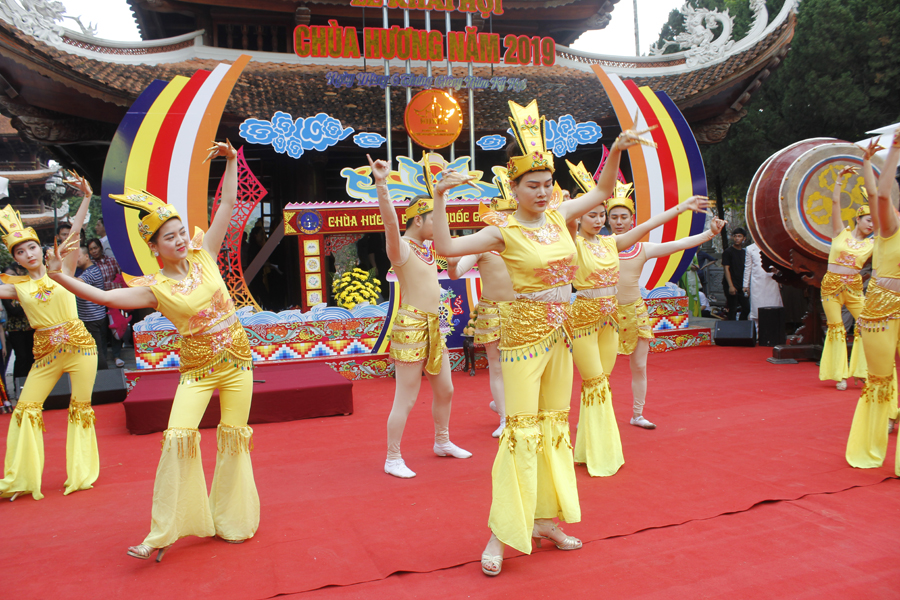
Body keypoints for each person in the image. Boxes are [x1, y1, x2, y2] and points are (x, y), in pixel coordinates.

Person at [430, 99, 653, 576]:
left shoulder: (557, 217)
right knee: (520, 432)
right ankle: (501, 533)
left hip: (561, 334)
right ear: (514, 188)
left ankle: (545, 520)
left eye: (548, 184)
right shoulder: (500, 229)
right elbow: (447, 249)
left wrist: (615, 149)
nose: (543, 191)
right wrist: (441, 197)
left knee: (554, 427)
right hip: (520, 337)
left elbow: (605, 191)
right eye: (533, 185)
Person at [48, 140, 259, 560]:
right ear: (155, 246)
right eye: (170, 236)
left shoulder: (206, 256)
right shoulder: (154, 289)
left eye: (181, 232)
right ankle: (162, 533)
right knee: (178, 438)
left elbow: (227, 207)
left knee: (233, 440)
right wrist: (60, 278)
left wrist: (233, 162)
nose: (180, 239)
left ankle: (233, 520)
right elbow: (105, 298)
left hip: (238, 362)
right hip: (197, 372)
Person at [565, 159, 723, 475]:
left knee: (605, 382)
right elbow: (568, 217)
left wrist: (685, 209)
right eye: (595, 214)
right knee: (595, 382)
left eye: (602, 214)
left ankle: (596, 441)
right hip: (584, 320)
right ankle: (598, 448)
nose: (601, 220)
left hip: (616, 318)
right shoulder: (573, 243)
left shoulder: (614, 244)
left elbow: (652, 230)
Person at [369, 154, 470, 479]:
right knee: (407, 397)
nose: (438, 227)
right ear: (417, 220)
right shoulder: (402, 249)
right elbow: (388, 224)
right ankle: (392, 457)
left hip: (434, 327)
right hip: (411, 327)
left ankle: (442, 441)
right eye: (432, 220)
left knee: (446, 390)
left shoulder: (432, 251)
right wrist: (382, 185)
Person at [0, 174, 97, 501]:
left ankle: (81, 474)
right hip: (47, 356)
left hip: (81, 349)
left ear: (40, 250)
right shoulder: (17, 288)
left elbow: (76, 232)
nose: (27, 254)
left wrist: (86, 198)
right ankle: (20, 478)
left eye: (30, 247)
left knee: (80, 408)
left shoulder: (63, 271)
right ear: (15, 260)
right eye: (20, 253)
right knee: (26, 408)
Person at [608, 192, 725, 430]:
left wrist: (710, 233)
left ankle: (637, 414)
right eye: (614, 217)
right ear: (607, 220)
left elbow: (679, 245)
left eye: (623, 217)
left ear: (633, 220)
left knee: (639, 366)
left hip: (636, 313)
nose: (619, 222)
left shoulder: (642, 248)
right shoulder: (598, 247)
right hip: (605, 314)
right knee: (599, 371)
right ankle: (595, 418)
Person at [448, 173, 518, 438]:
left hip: (523, 310)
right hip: (492, 310)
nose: (508, 218)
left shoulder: (530, 240)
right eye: (504, 213)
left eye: (513, 212)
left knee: (521, 364)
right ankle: (504, 416)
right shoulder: (483, 243)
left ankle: (511, 407)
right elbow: (457, 272)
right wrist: (452, 259)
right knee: (497, 365)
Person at [846, 135, 900, 472]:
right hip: (882, 306)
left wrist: (867, 163)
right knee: (880, 377)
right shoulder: (890, 228)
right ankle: (874, 438)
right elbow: (878, 193)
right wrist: (891, 152)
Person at [816, 166, 873, 391]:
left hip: (855, 287)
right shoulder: (841, 232)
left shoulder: (873, 243)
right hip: (831, 286)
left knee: (866, 325)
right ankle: (839, 374)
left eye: (874, 222)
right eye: (868, 220)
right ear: (858, 218)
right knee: (837, 327)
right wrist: (839, 180)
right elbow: (835, 205)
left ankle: (862, 371)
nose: (871, 225)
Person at [88, 238, 128, 367]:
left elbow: (121, 278)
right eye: (91, 249)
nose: (94, 251)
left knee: (116, 328)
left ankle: (117, 356)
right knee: (102, 331)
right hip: (98, 301)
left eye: (95, 248)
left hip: (114, 299)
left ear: (100, 247)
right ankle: (103, 359)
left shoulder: (112, 261)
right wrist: (111, 284)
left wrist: (105, 286)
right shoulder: (90, 265)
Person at [75, 246, 108, 370]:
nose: (75, 260)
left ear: (86, 256)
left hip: (92, 318)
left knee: (95, 351)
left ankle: (104, 378)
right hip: (94, 316)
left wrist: (62, 274)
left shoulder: (91, 271)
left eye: (77, 257)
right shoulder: (90, 270)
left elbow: (77, 283)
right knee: (97, 349)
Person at [2, 264, 34, 381]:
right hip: (15, 330)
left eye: (14, 275)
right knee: (21, 357)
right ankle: (18, 386)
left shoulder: (24, 289)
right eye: (8, 276)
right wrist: (29, 306)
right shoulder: (4, 293)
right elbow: (13, 311)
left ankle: (32, 384)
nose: (12, 278)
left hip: (30, 328)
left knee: (31, 357)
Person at [742, 242, 783, 322]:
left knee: (773, 306)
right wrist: (745, 285)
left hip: (771, 281)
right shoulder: (750, 248)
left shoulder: (772, 246)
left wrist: (777, 271)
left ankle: (773, 330)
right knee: (757, 308)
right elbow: (748, 267)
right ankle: (758, 332)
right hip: (757, 282)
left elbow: (780, 263)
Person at [721, 228, 750, 321]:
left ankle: (741, 327)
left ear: (744, 238)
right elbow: (726, 268)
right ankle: (732, 331)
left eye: (739, 236)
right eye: (735, 236)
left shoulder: (745, 252)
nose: (737, 238)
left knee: (746, 308)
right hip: (730, 284)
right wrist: (730, 286)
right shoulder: (728, 252)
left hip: (741, 284)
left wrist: (747, 285)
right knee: (732, 309)